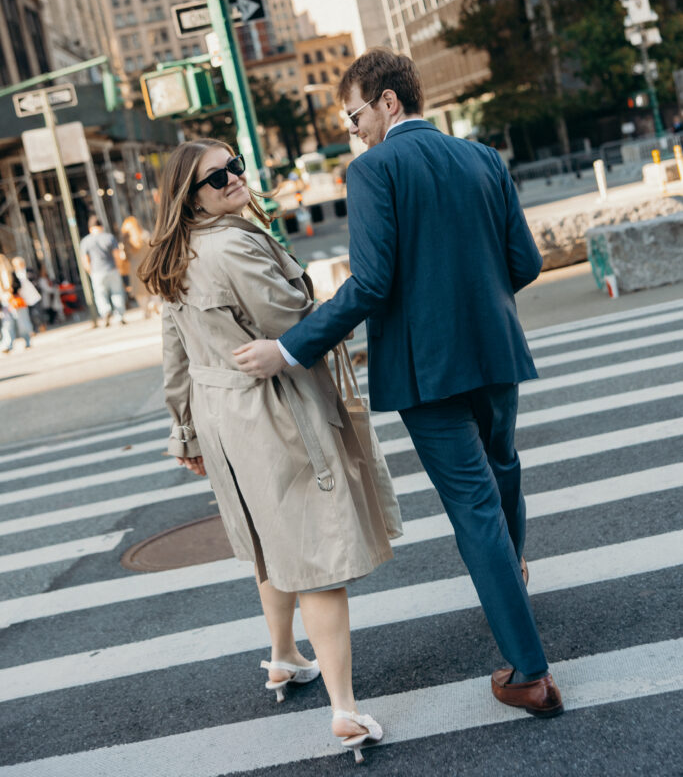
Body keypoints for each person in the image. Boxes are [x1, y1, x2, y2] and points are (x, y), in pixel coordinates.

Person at [234, 48, 564, 719]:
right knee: (501, 469)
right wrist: (477, 298)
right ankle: (513, 575)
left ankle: (529, 674)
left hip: (425, 366)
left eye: (354, 115)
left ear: (388, 102)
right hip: (495, 348)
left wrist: (289, 348)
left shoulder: (373, 169)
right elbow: (525, 263)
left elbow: (371, 284)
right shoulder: (483, 158)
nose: (353, 129)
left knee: (473, 507)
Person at [138, 138, 401, 762]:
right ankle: (344, 709)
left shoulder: (175, 253)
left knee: (269, 540)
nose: (233, 177)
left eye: (234, 166)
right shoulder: (233, 245)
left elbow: (175, 353)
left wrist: (185, 432)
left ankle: (283, 655)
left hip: (222, 418)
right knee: (315, 556)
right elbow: (293, 320)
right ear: (189, 196)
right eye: (216, 177)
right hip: (273, 411)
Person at [80, 215, 127, 326]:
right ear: (101, 226)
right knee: (117, 293)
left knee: (100, 294)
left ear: (90, 228)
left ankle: (105, 311)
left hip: (96, 272)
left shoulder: (85, 241)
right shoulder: (109, 237)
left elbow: (85, 260)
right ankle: (119, 316)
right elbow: (117, 255)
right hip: (112, 269)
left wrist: (90, 272)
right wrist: (119, 267)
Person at [119, 216, 160, 318]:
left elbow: (126, 256)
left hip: (135, 268)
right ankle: (153, 303)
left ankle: (145, 310)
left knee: (140, 292)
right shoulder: (145, 235)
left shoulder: (126, 241)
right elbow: (153, 248)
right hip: (148, 264)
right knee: (152, 287)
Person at [0, 254, 32, 352]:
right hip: (4, 302)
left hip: (14, 300)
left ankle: (27, 340)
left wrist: (11, 290)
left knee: (21, 322)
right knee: (7, 324)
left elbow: (18, 285)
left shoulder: (11, 273)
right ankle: (8, 344)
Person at [11, 256, 44, 333]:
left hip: (33, 294)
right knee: (30, 314)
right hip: (23, 296)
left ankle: (41, 325)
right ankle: (34, 329)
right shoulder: (14, 274)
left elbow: (35, 279)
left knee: (38, 312)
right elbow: (15, 285)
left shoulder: (29, 270)